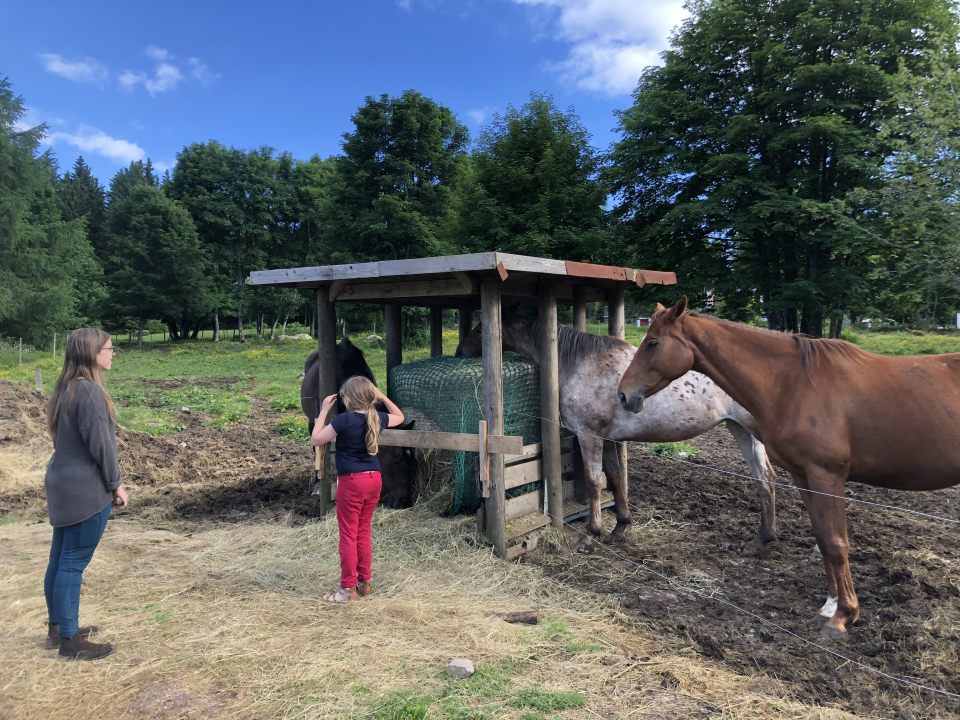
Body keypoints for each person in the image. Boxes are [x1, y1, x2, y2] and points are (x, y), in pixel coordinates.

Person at [43, 328, 129, 660]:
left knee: (59, 559)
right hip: (84, 490)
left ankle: (58, 629)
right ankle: (70, 642)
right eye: (109, 348)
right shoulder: (91, 392)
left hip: (61, 483)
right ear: (92, 353)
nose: (113, 353)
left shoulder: (65, 389)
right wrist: (116, 484)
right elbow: (102, 446)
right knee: (72, 564)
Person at [312, 376, 404, 603]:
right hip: (374, 479)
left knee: (348, 535)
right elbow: (400, 417)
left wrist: (324, 411)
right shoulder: (377, 417)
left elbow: (316, 439)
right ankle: (364, 583)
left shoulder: (343, 420)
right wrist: (381, 396)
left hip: (352, 481)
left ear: (348, 398)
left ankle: (347, 590)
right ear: (370, 396)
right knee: (363, 533)